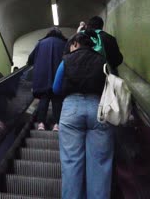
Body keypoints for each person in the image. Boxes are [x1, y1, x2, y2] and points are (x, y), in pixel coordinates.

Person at [53, 30, 113, 199]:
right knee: (99, 165)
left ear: (74, 44)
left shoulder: (66, 60)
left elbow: (56, 88)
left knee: (71, 163)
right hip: (98, 109)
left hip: (71, 109)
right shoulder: (102, 60)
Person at [27, 27, 66, 131]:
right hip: (58, 75)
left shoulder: (40, 43)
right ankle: (57, 124)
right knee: (57, 100)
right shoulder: (64, 43)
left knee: (43, 100)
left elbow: (30, 60)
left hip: (43, 76)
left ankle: (41, 124)